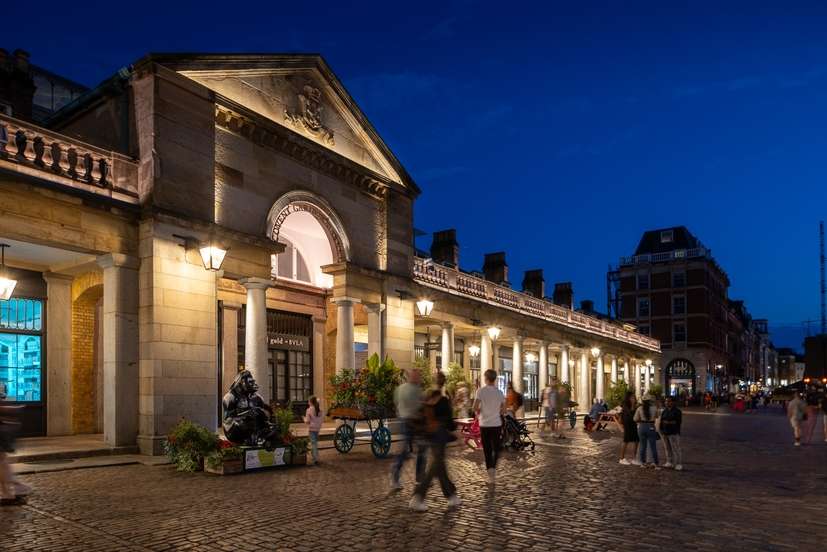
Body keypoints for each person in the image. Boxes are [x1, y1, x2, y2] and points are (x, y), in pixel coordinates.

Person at [409, 387, 460, 512]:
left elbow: (418, 418)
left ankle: (451, 495)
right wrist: (456, 432)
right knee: (436, 466)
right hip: (439, 435)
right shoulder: (443, 400)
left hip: (430, 436)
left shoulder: (427, 398)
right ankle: (418, 496)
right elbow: (449, 421)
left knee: (439, 466)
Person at [390, 368, 427, 491]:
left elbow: (396, 403)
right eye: (417, 376)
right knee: (409, 449)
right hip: (410, 421)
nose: (419, 378)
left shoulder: (401, 389)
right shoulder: (415, 390)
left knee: (417, 448)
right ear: (412, 376)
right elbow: (419, 406)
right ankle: (401, 475)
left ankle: (418, 477)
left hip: (407, 420)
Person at [474, 369, 506, 485]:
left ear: (486, 378)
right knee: (496, 448)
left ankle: (490, 473)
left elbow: (475, 407)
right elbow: (504, 410)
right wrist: (496, 412)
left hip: (484, 424)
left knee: (487, 449)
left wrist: (481, 412)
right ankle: (493, 468)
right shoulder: (500, 393)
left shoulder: (480, 391)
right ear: (494, 379)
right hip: (496, 423)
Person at [634, 393, 660, 468]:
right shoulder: (654, 408)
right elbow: (657, 416)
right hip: (651, 426)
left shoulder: (639, 408)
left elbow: (635, 419)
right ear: (650, 401)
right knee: (653, 446)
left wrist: (640, 420)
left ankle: (643, 463)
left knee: (642, 446)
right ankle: (656, 463)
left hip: (642, 427)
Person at [659, 396, 683, 470]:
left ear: (673, 402)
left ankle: (678, 463)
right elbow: (661, 420)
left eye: (669, 401)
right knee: (667, 448)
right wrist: (661, 429)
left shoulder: (677, 411)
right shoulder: (664, 411)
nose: (667, 402)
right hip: (665, 432)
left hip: (673, 432)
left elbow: (678, 422)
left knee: (676, 448)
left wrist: (668, 422)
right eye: (666, 401)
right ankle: (669, 461)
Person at [617, 392, 639, 465]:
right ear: (628, 398)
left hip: (633, 424)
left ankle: (634, 458)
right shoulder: (625, 406)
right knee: (626, 440)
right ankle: (622, 458)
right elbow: (629, 414)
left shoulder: (634, 405)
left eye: (634, 397)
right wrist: (633, 405)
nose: (634, 398)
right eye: (632, 397)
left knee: (636, 440)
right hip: (628, 424)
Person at [303, 396, 323, 465]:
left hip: (312, 428)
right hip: (317, 428)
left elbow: (307, 421)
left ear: (311, 402)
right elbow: (321, 420)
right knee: (315, 443)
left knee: (313, 443)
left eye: (308, 401)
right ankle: (315, 456)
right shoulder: (319, 409)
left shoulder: (309, 410)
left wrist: (304, 419)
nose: (308, 403)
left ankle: (315, 458)